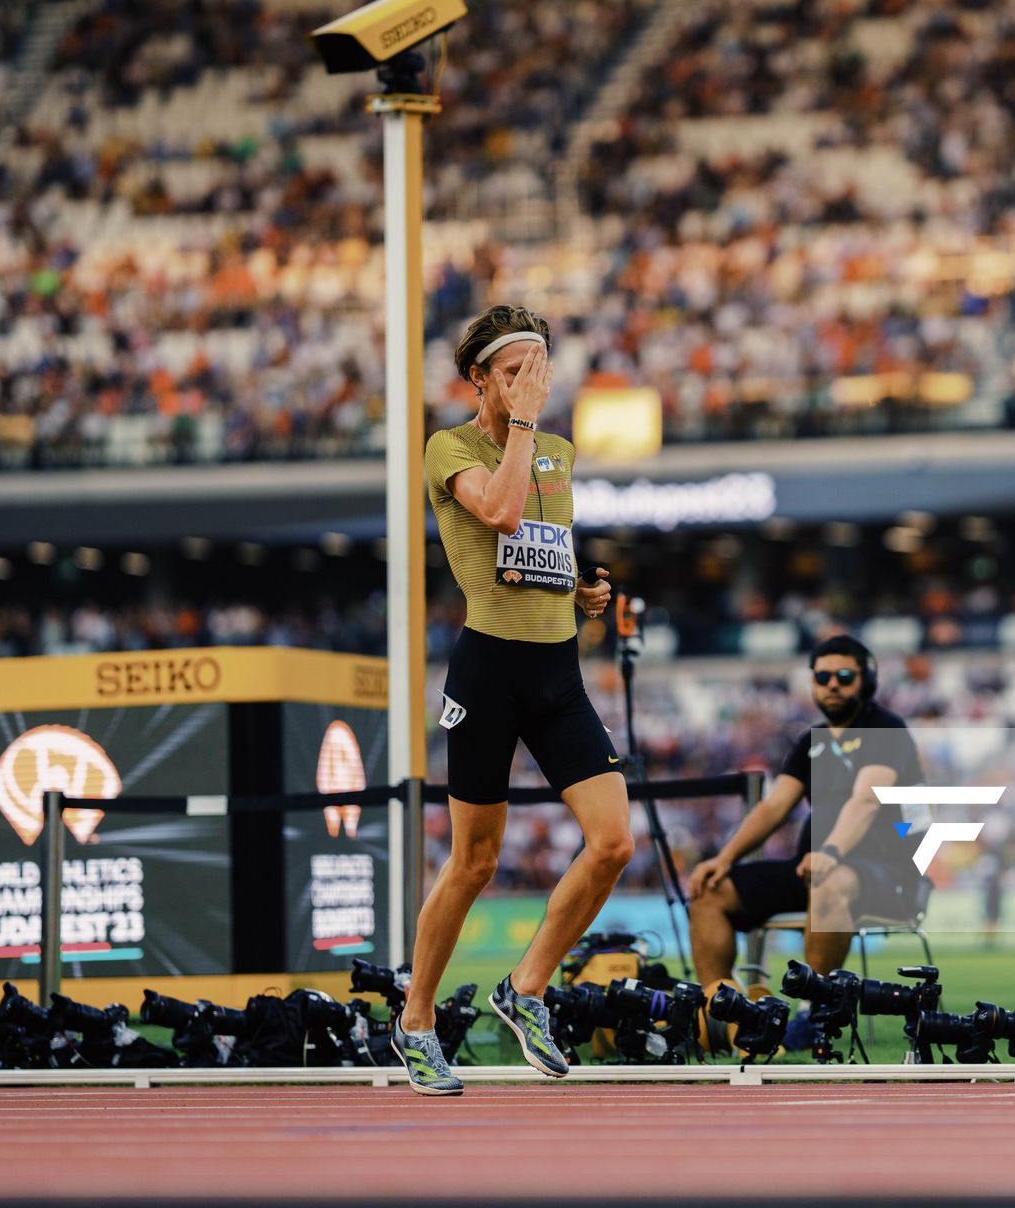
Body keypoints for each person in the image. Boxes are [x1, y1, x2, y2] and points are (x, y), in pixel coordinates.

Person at [391, 303, 631, 1093]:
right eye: (514, 371)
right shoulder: (448, 446)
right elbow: (496, 512)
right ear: (479, 381)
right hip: (489, 669)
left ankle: (524, 989)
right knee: (475, 862)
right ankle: (416, 1021)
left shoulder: (558, 453)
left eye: (540, 368)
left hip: (555, 671)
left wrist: (580, 594)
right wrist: (521, 424)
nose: (534, 383)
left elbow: (537, 551)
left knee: (613, 844)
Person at [686, 635, 926, 1036]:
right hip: (814, 871)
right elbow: (774, 807)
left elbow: (866, 800)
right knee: (710, 890)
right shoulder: (809, 741)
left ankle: (812, 1015)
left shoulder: (887, 729)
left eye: (845, 676)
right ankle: (723, 1010)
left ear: (867, 681)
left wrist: (830, 850)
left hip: (886, 874)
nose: (833, 684)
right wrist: (723, 859)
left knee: (828, 880)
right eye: (823, 676)